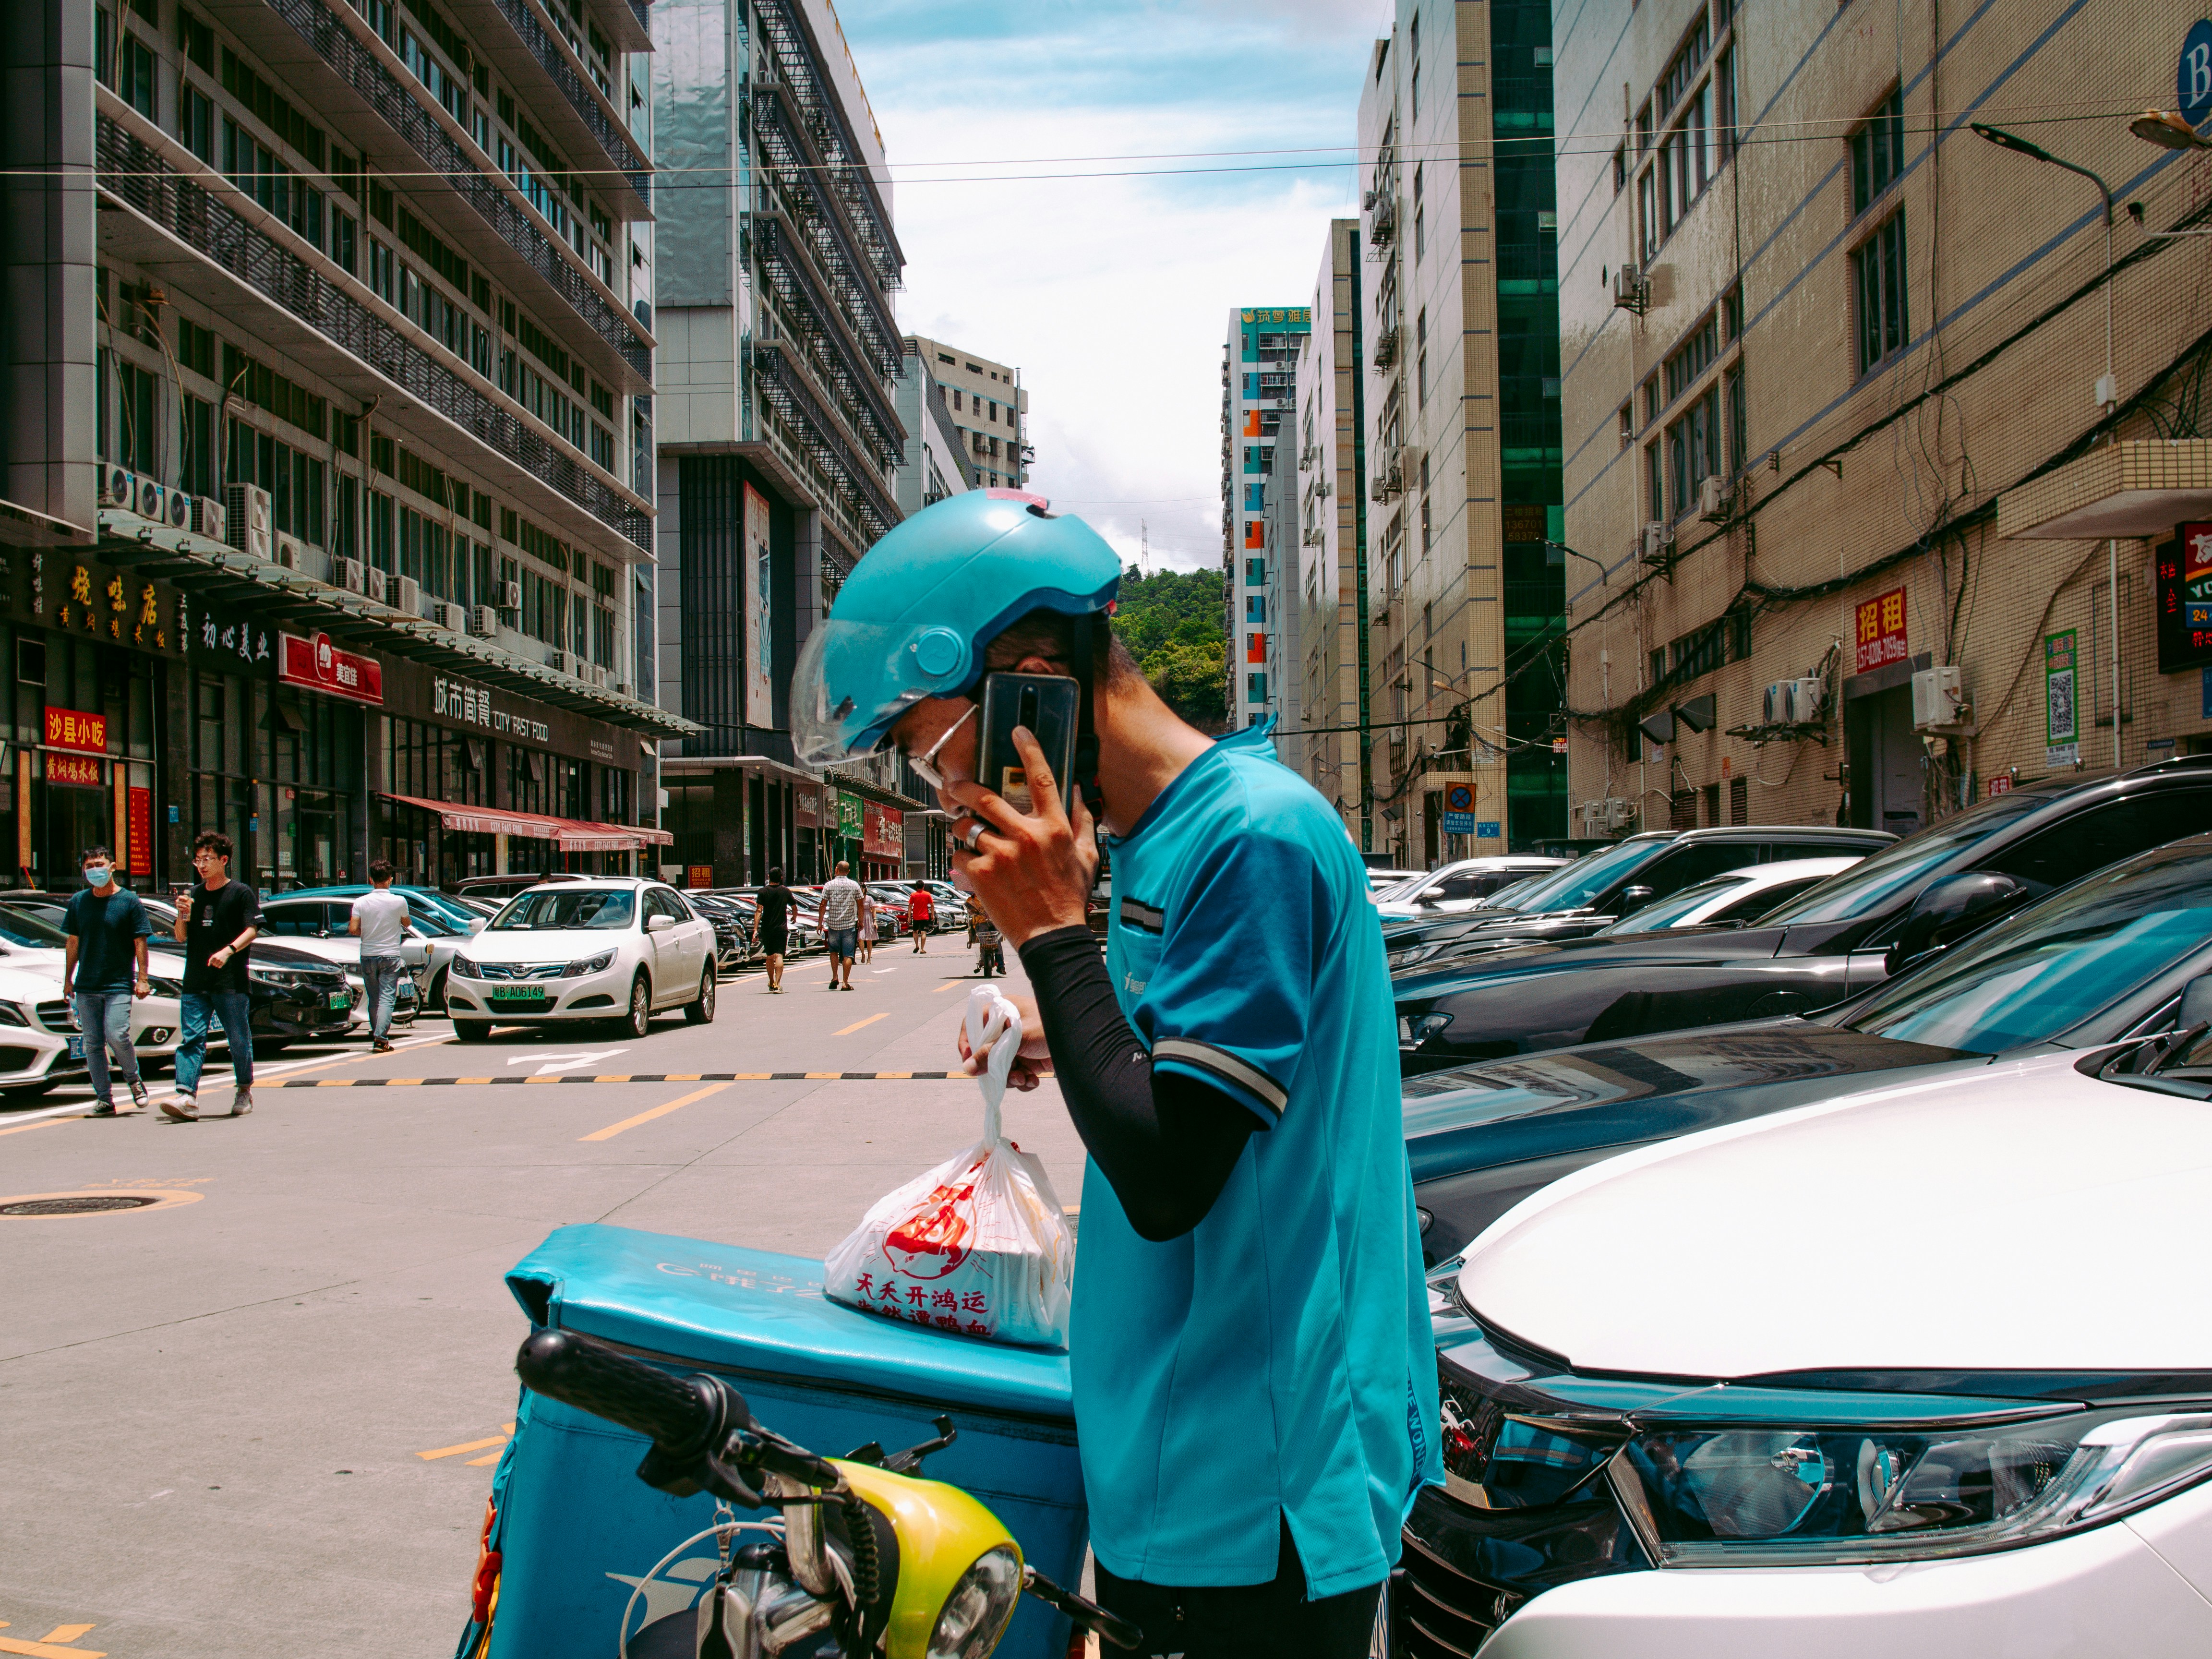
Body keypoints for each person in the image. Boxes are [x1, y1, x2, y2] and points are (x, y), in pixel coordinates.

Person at [792, 492, 1436, 1658]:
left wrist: (1050, 934)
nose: (937, 789)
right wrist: (1069, 1030)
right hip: (1179, 1451)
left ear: (1029, 682)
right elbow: (1187, 1074)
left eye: (926, 745)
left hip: (1257, 1486)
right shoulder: (1153, 838)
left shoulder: (1253, 837)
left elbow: (1169, 1169)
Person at [166, 830, 263, 1121]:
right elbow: (181, 937)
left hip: (230, 981)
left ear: (224, 860)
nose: (202, 865)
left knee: (238, 1038)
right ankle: (187, 1096)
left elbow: (253, 929)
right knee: (192, 1038)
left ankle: (244, 1089)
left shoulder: (241, 892)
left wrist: (229, 950)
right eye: (198, 860)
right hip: (196, 979)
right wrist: (181, 914)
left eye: (208, 859)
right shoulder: (193, 896)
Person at [62, 845, 153, 1117]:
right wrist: (68, 979)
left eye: (99, 864)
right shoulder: (79, 902)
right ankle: (104, 1098)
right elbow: (73, 942)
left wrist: (143, 979)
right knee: (92, 1042)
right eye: (89, 867)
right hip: (87, 985)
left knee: (117, 1034)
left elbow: (141, 942)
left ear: (112, 867)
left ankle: (134, 1080)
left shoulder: (129, 901)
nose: (95, 870)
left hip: (118, 985)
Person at [348, 859, 410, 1052]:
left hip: (368, 954)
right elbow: (407, 924)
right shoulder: (399, 901)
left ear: (371, 880)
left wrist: (368, 933)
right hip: (390, 955)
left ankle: (377, 1035)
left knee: (374, 998)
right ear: (390, 880)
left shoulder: (360, 902)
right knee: (387, 998)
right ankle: (380, 1038)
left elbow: (353, 929)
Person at [815, 861, 863, 990]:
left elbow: (823, 905)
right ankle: (845, 983)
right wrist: (861, 921)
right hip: (848, 925)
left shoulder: (829, 885)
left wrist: (820, 923)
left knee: (834, 952)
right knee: (848, 955)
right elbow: (860, 904)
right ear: (848, 871)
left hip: (833, 925)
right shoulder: (854, 885)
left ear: (836, 870)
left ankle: (835, 976)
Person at [755, 868, 794, 992]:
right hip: (781, 928)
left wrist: (755, 929)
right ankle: (778, 984)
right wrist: (795, 916)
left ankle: (772, 982)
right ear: (782, 878)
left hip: (767, 928)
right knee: (779, 955)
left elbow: (759, 911)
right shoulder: (785, 891)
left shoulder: (762, 891)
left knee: (769, 956)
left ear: (768, 877)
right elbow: (794, 906)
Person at [968, 903, 1003, 979]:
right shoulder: (972, 901)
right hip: (980, 924)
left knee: (997, 942)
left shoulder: (993, 899)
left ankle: (1001, 966)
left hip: (994, 923)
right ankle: (983, 960)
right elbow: (970, 912)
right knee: (983, 943)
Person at [906, 880, 934, 953]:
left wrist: (909, 916)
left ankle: (916, 946)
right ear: (923, 886)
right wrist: (932, 914)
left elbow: (910, 906)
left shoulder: (913, 895)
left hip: (916, 917)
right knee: (923, 932)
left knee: (915, 931)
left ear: (916, 887)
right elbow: (932, 905)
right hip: (925, 917)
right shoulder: (927, 894)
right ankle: (922, 949)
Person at [856, 890, 877, 964]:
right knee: (860, 938)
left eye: (863, 889)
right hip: (861, 918)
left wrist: (875, 921)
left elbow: (873, 910)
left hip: (869, 918)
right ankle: (863, 954)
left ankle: (869, 958)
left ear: (865, 889)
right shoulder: (858, 898)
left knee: (869, 940)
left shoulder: (869, 898)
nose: (861, 890)